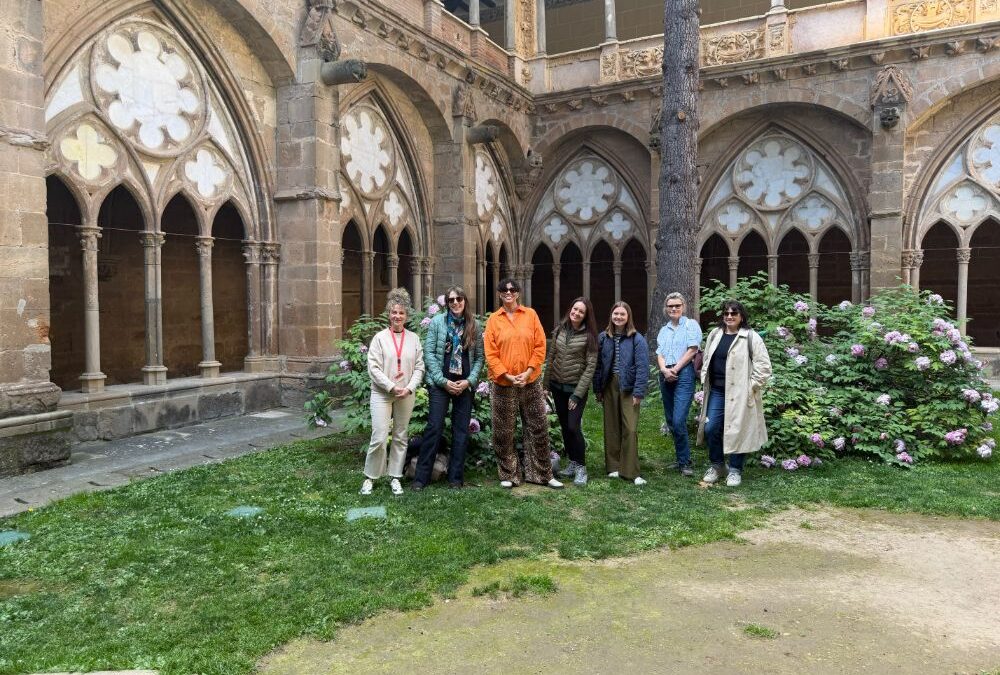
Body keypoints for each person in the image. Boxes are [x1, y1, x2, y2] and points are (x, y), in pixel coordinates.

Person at [483, 278, 563, 489]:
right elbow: (490, 353)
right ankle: (509, 475)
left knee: (538, 426)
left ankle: (542, 474)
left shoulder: (531, 315)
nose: (508, 292)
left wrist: (527, 372)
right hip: (503, 383)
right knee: (503, 431)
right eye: (504, 290)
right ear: (499, 294)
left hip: (530, 381)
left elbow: (540, 346)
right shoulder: (493, 320)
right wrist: (508, 376)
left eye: (512, 289)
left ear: (518, 293)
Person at [412, 286, 484, 490]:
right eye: (451, 300)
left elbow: (479, 358)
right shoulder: (437, 322)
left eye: (458, 299)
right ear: (447, 303)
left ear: (464, 301)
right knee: (434, 427)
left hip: (463, 384)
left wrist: (469, 381)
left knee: (461, 430)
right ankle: (421, 478)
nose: (455, 303)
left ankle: (455, 478)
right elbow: (430, 354)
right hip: (440, 383)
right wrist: (443, 381)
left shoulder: (474, 325)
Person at [696, 299, 772, 487]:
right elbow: (706, 359)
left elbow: (764, 367)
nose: (729, 316)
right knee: (711, 428)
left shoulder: (751, 337)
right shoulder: (715, 334)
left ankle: (735, 470)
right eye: (726, 313)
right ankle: (717, 466)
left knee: (739, 429)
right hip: (717, 391)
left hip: (740, 392)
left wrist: (751, 386)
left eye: (734, 313)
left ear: (741, 316)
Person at [361, 288, 425, 496]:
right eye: (394, 312)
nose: (397, 316)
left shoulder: (414, 338)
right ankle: (371, 477)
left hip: (406, 393)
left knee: (400, 435)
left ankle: (395, 476)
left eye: (402, 313)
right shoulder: (379, 338)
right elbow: (374, 368)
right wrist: (391, 386)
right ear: (389, 314)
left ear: (406, 316)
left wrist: (408, 387)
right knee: (379, 436)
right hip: (382, 393)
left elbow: (419, 367)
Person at [543, 297, 599, 486]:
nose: (576, 313)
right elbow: (551, 357)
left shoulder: (589, 336)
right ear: (570, 309)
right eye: (575, 309)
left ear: (585, 315)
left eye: (581, 312)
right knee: (565, 427)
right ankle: (573, 463)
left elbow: (590, 367)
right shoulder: (560, 329)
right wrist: (545, 384)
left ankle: (581, 467)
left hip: (576, 388)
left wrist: (577, 394)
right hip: (557, 386)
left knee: (574, 427)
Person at [593, 301, 649, 485]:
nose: (618, 317)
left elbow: (642, 367)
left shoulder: (637, 338)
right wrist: (598, 389)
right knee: (612, 427)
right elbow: (598, 366)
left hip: (629, 387)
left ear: (628, 317)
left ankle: (631, 470)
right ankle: (614, 466)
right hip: (609, 385)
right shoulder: (603, 337)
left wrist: (639, 392)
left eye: (622, 314)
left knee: (630, 428)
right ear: (611, 315)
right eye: (615, 313)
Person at [655, 292, 703, 477]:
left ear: (683, 307)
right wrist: (665, 370)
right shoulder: (663, 330)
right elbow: (659, 354)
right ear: (666, 308)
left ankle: (684, 463)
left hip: (683, 373)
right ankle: (682, 458)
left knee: (678, 419)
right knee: (670, 419)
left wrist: (675, 369)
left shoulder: (691, 325)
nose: (674, 308)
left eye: (677, 305)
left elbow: (692, 350)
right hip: (665, 373)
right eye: (670, 306)